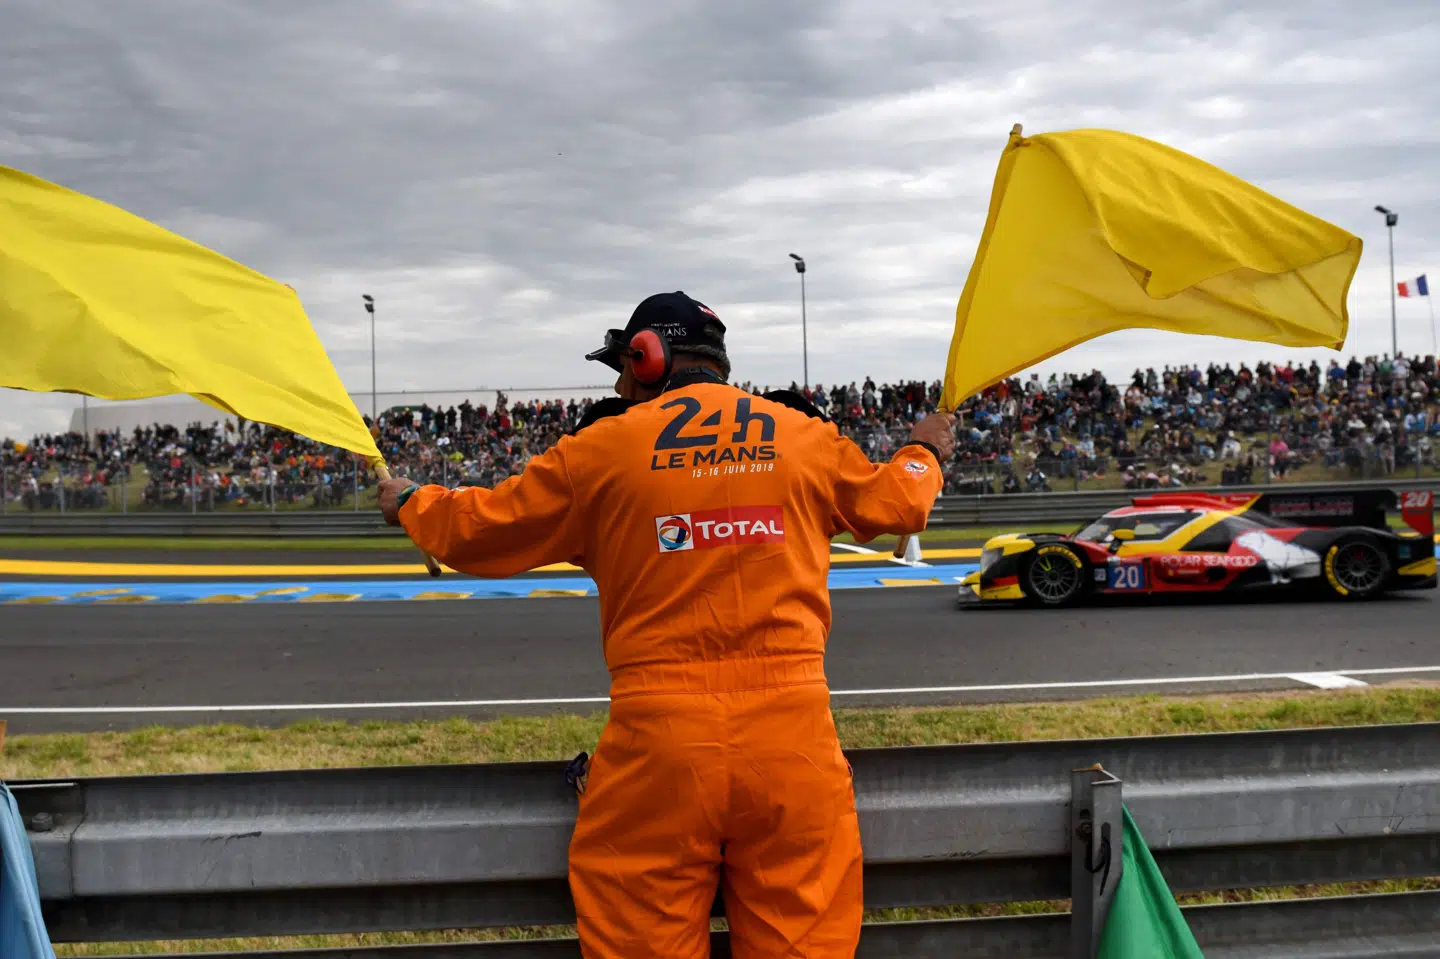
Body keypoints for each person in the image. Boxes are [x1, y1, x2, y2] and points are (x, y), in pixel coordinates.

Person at [379, 291, 955, 958]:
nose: (619, 387)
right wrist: (923, 448)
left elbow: (481, 528)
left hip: (660, 747)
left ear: (647, 357)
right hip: (792, 746)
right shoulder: (802, 435)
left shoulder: (601, 448)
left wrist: (412, 503)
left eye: (621, 369)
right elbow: (900, 503)